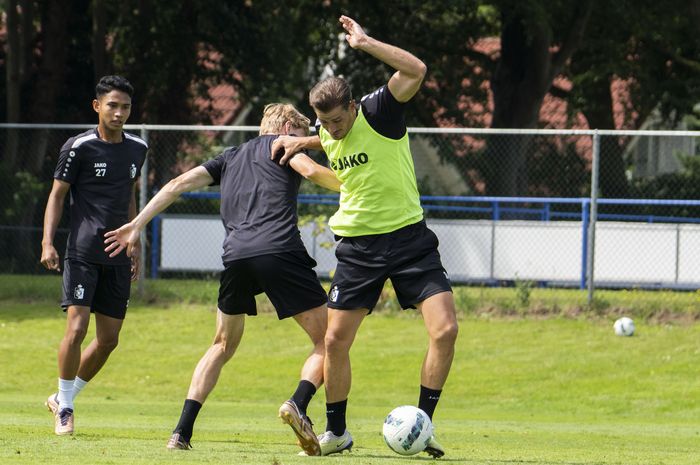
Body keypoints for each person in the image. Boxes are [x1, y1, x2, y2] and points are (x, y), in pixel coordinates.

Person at [104, 103, 341, 455]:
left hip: (236, 256)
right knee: (329, 341)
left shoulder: (229, 156)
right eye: (300, 133)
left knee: (221, 345)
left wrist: (136, 225)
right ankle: (298, 404)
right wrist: (356, 186)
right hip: (279, 251)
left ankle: (181, 433)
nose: (301, 140)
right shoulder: (285, 146)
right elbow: (313, 170)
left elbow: (177, 184)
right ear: (288, 127)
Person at [271, 15, 459, 458]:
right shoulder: (325, 132)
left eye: (337, 120)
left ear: (353, 106)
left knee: (446, 330)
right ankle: (335, 432)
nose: (332, 130)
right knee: (335, 341)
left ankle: (422, 424)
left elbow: (416, 70)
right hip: (359, 247)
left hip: (410, 240)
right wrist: (303, 144)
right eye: (324, 123)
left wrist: (366, 42)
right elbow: (331, 142)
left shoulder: (379, 111)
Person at [40, 75, 148, 436]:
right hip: (83, 252)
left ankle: (61, 396)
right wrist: (47, 243)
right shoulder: (78, 147)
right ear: (97, 106)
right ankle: (66, 408)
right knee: (77, 328)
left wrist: (135, 241)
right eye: (113, 105)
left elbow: (130, 196)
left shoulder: (137, 148)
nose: (119, 113)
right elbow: (57, 196)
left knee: (109, 340)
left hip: (118, 254)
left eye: (126, 107)